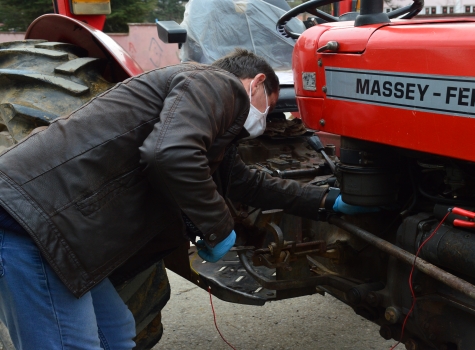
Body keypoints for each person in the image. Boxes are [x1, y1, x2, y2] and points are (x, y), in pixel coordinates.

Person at [0, 49, 363, 349]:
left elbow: (244, 182)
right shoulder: (215, 84)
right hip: (34, 223)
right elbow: (169, 155)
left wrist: (325, 202)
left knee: (116, 334)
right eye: (266, 109)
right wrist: (218, 229)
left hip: (67, 233)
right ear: (257, 83)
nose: (264, 122)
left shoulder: (210, 115)